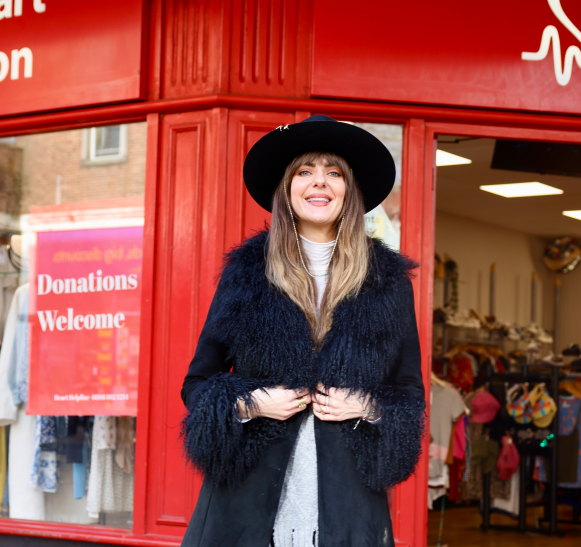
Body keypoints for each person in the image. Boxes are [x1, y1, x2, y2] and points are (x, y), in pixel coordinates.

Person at [180, 115, 426, 547]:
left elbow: (409, 395)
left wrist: (366, 406)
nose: (319, 183)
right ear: (287, 189)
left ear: (350, 191)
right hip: (246, 502)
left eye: (334, 173)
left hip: (347, 503)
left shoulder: (388, 284)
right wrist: (252, 404)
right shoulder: (246, 275)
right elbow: (198, 383)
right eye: (304, 172)